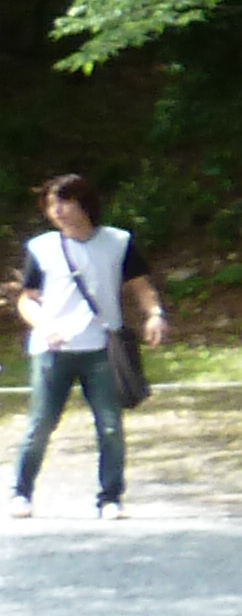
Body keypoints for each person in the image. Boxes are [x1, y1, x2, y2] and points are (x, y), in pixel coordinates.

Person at [17, 174, 164, 519]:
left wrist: (154, 314)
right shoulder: (41, 248)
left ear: (84, 202)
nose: (58, 211)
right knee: (41, 423)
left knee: (110, 425)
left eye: (64, 202)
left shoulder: (117, 242)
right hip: (52, 349)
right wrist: (45, 325)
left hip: (102, 348)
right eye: (52, 204)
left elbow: (141, 286)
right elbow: (27, 300)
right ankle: (21, 492)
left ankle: (110, 497)